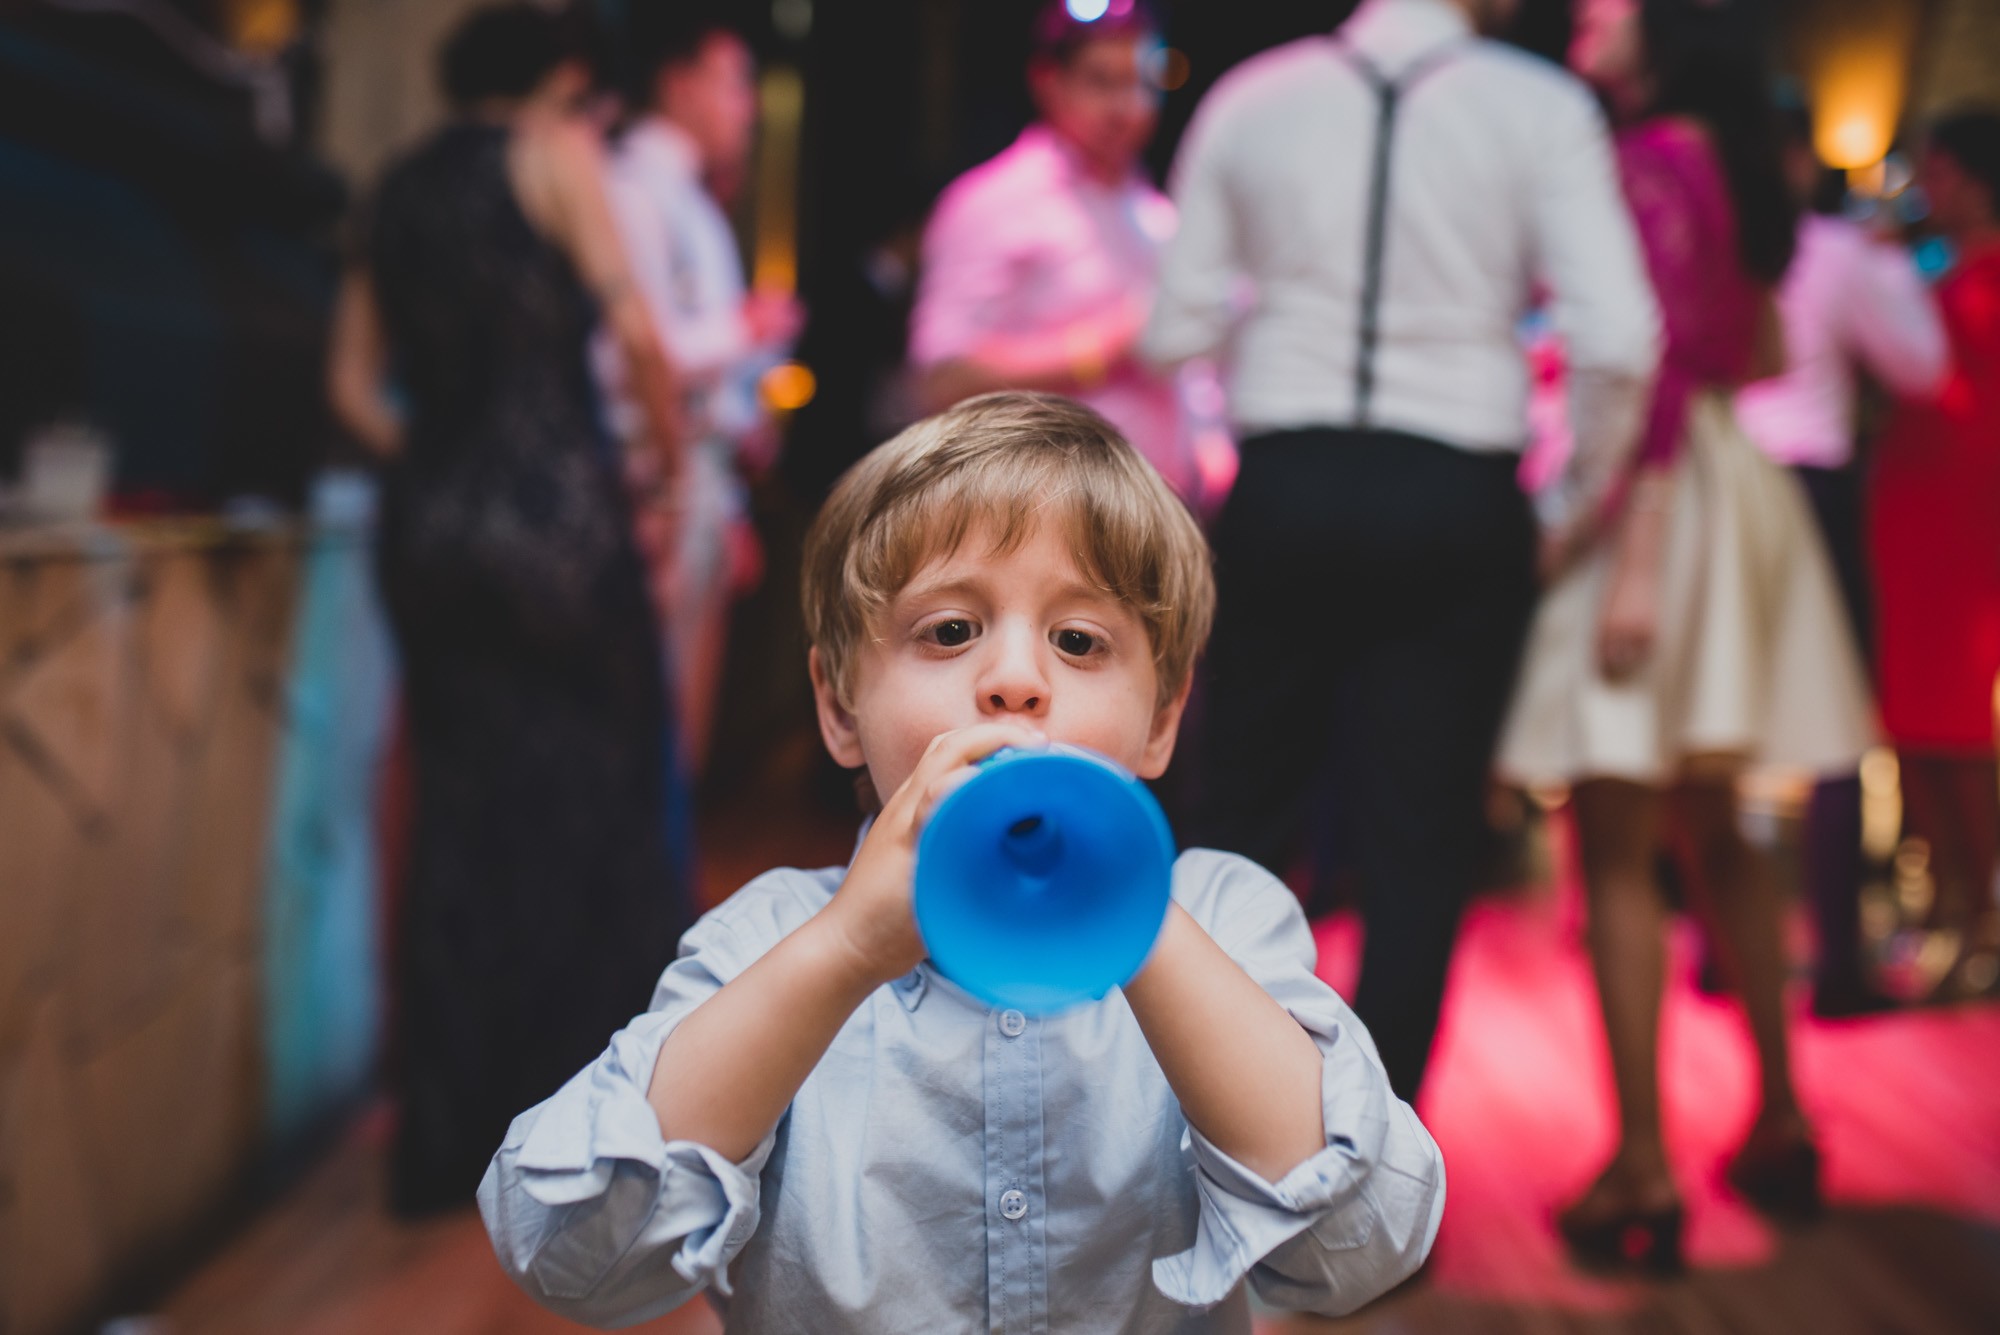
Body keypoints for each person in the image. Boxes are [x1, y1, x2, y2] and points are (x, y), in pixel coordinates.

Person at [479, 393, 1443, 1330]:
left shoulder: (1228, 919)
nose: (1016, 682)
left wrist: (1128, 912)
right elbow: (566, 1251)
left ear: (1161, 718)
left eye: (1077, 640)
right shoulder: (768, 938)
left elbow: (1361, 1241)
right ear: (840, 706)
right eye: (949, 631)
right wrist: (846, 949)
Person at [1140, 0, 1660, 1104]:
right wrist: (1563, 503)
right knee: (1418, 837)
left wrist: (1273, 334)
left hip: (1282, 481)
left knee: (1237, 819)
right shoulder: (1541, 107)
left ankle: (1207, 1122)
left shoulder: (1252, 96)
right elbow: (1617, 338)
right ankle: (1363, 1174)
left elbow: (1171, 327)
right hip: (1455, 492)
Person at [1497, 0, 1875, 1271]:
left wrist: (1630, 555)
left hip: (1654, 495)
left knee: (1611, 835)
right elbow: (1752, 347)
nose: (1582, 17)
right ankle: (1779, 1116)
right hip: (1731, 477)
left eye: (1607, 3)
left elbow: (1643, 361)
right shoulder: (1733, 156)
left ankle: (1641, 1161)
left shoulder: (1648, 158)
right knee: (1719, 828)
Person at [325, 2, 693, 1215]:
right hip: (556, 517)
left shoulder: (394, 187)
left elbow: (350, 387)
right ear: (563, 80)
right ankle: (587, 1139)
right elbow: (633, 328)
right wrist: (663, 459)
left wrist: (439, 457)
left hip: (433, 524)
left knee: (458, 817)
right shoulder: (552, 152)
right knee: (597, 798)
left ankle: (446, 1139)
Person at [1734, 105, 1948, 1018]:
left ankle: (1723, 947)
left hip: (1720, 481)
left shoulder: (1698, 235)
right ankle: (1840, 967)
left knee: (1722, 721)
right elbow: (1923, 365)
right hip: (1810, 488)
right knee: (1830, 731)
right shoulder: (1833, 248)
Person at [603, 12, 797, 776]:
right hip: (654, 479)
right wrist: (748, 328)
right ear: (678, 84)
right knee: (646, 722)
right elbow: (640, 351)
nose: (745, 106)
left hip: (702, 480)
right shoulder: (632, 189)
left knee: (680, 730)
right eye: (733, 83)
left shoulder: (692, 203)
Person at [909, 1, 1202, 500]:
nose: (1126, 107)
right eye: (1102, 81)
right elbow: (941, 377)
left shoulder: (1155, 215)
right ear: (1048, 81)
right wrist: (1106, 348)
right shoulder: (993, 201)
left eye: (1142, 83)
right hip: (1038, 511)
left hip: (1160, 511)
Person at [1870, 109, 2000, 1000]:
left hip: (1968, 514)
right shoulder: (1929, 270)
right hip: (1910, 510)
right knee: (1916, 718)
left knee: (1959, 719)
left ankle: (1978, 914)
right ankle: (1947, 905)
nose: (1929, 190)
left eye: (1941, 172)